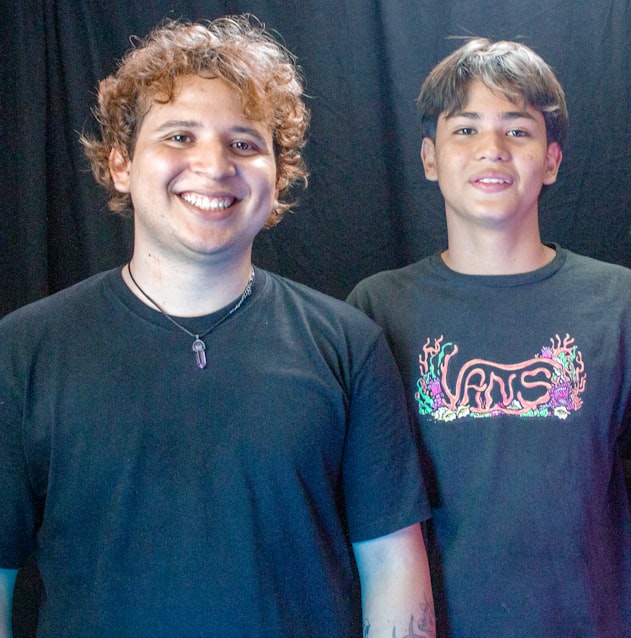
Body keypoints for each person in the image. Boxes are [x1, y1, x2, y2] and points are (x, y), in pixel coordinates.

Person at [0, 15, 434, 638]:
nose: (214, 164)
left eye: (244, 143)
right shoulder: (25, 350)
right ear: (121, 165)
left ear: (276, 176)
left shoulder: (346, 345)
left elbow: (393, 567)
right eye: (179, 136)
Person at [346, 38, 631, 636]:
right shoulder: (377, 310)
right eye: (464, 130)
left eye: (517, 131)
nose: (491, 150)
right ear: (429, 157)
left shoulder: (620, 304)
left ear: (552, 160)